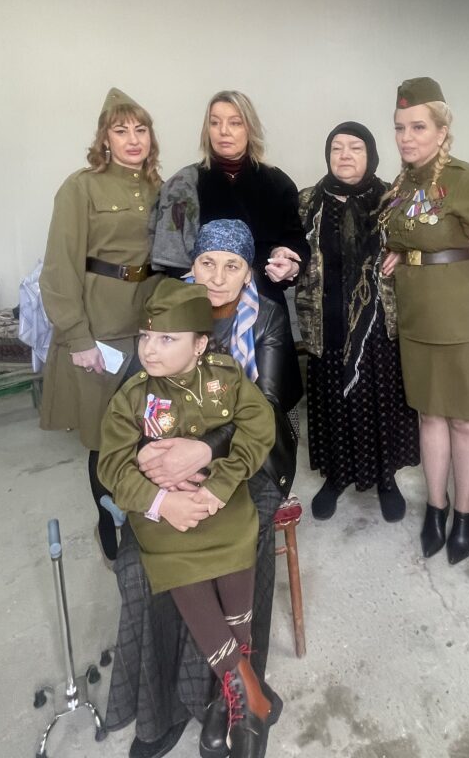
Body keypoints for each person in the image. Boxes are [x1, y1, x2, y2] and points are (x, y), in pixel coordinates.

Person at [105, 220, 301, 758]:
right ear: (191, 265)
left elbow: (265, 411)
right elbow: (121, 429)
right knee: (140, 566)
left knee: (245, 536)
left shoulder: (265, 319)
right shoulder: (166, 312)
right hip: (164, 482)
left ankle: (226, 697)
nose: (217, 276)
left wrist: (205, 453)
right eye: (207, 263)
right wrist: (152, 473)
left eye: (232, 265)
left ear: (249, 272)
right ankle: (171, 707)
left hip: (247, 466)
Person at [381, 78, 469, 565]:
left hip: (461, 319)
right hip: (417, 318)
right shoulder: (403, 183)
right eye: (400, 127)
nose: (406, 137)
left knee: (465, 421)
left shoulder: (466, 179)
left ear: (441, 129)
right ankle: (436, 506)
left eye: (418, 127)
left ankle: (466, 509)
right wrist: (401, 251)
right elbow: (413, 234)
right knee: (429, 416)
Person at [39, 87, 162, 562]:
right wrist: (78, 338)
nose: (133, 139)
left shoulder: (158, 188)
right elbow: (59, 269)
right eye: (120, 130)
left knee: (150, 429)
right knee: (105, 437)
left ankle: (147, 519)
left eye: (140, 129)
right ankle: (109, 526)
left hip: (150, 325)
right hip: (102, 331)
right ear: (104, 138)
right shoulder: (81, 187)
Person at [296, 122, 419, 522]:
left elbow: (418, 245)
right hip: (326, 320)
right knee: (334, 401)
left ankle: (385, 479)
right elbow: (292, 251)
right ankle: (336, 477)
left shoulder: (393, 199)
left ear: (371, 155)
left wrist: (404, 252)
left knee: (379, 402)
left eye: (355, 147)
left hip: (377, 325)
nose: (345, 155)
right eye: (337, 148)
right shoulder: (308, 201)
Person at [150, 90, 309, 303]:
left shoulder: (278, 183)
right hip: (199, 304)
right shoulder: (183, 184)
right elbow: (172, 265)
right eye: (215, 123)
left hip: (265, 305)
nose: (223, 131)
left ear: (250, 129)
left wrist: (290, 263)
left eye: (235, 123)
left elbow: (296, 242)